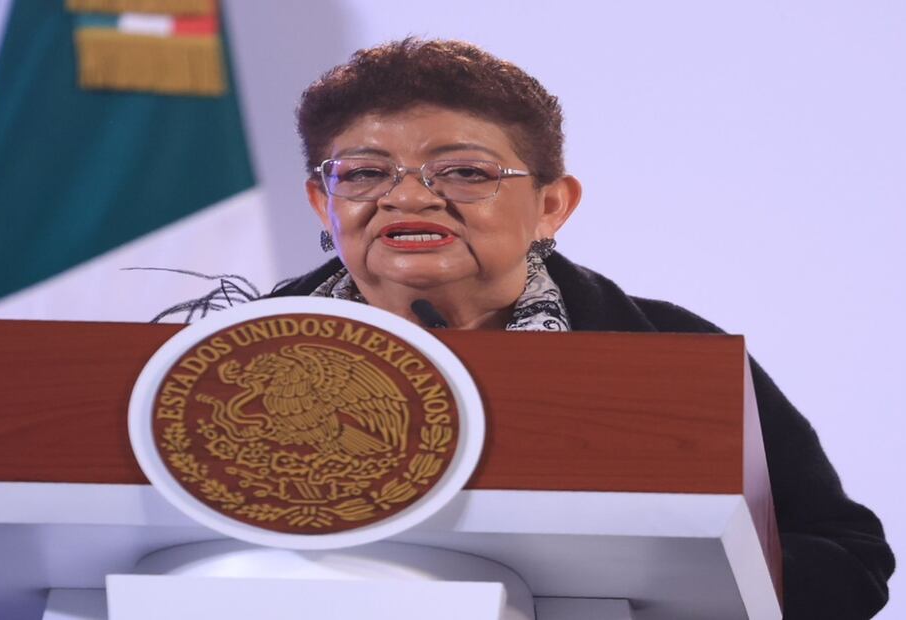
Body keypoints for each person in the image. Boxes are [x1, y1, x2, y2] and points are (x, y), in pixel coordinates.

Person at [255, 38, 894, 618]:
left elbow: (849, 560)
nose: (409, 197)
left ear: (551, 205)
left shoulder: (671, 353)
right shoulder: (229, 360)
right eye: (365, 173)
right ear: (322, 202)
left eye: (465, 173)